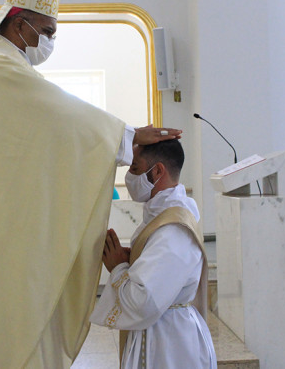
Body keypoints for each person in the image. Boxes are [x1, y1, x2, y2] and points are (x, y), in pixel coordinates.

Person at [0, 0, 181, 369]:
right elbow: (61, 115)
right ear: (20, 25)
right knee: (15, 335)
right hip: (3, 240)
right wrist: (127, 138)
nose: (49, 41)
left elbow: (36, 143)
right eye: (47, 31)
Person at [90, 139, 217, 369]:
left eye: (135, 168)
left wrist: (119, 268)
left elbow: (144, 301)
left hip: (169, 345)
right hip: (162, 332)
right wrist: (135, 261)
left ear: (157, 171)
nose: (130, 177)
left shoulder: (174, 229)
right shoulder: (166, 213)